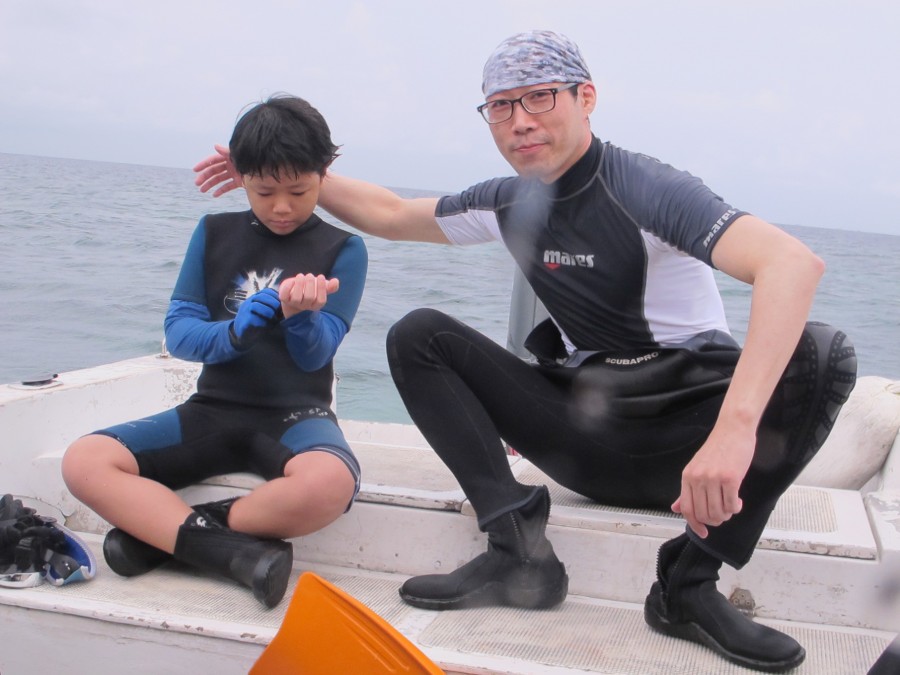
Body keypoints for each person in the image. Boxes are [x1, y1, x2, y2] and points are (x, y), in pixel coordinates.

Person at [194, 31, 857, 670]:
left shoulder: (648, 188)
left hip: (693, 450)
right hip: (589, 437)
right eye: (501, 106)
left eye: (540, 97)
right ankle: (518, 550)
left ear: (586, 97)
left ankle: (688, 585)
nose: (520, 120)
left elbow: (790, 264)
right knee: (420, 334)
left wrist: (734, 432)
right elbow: (393, 214)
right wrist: (293, 172)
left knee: (825, 352)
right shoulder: (509, 201)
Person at [62, 94, 367, 609]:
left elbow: (317, 356)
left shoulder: (345, 250)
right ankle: (233, 554)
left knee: (332, 484)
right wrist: (234, 333)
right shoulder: (213, 232)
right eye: (264, 190)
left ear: (324, 174)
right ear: (241, 176)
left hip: (296, 415)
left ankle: (182, 538)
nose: (282, 207)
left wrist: (300, 318)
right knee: (84, 461)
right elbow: (180, 333)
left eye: (299, 190)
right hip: (212, 410)